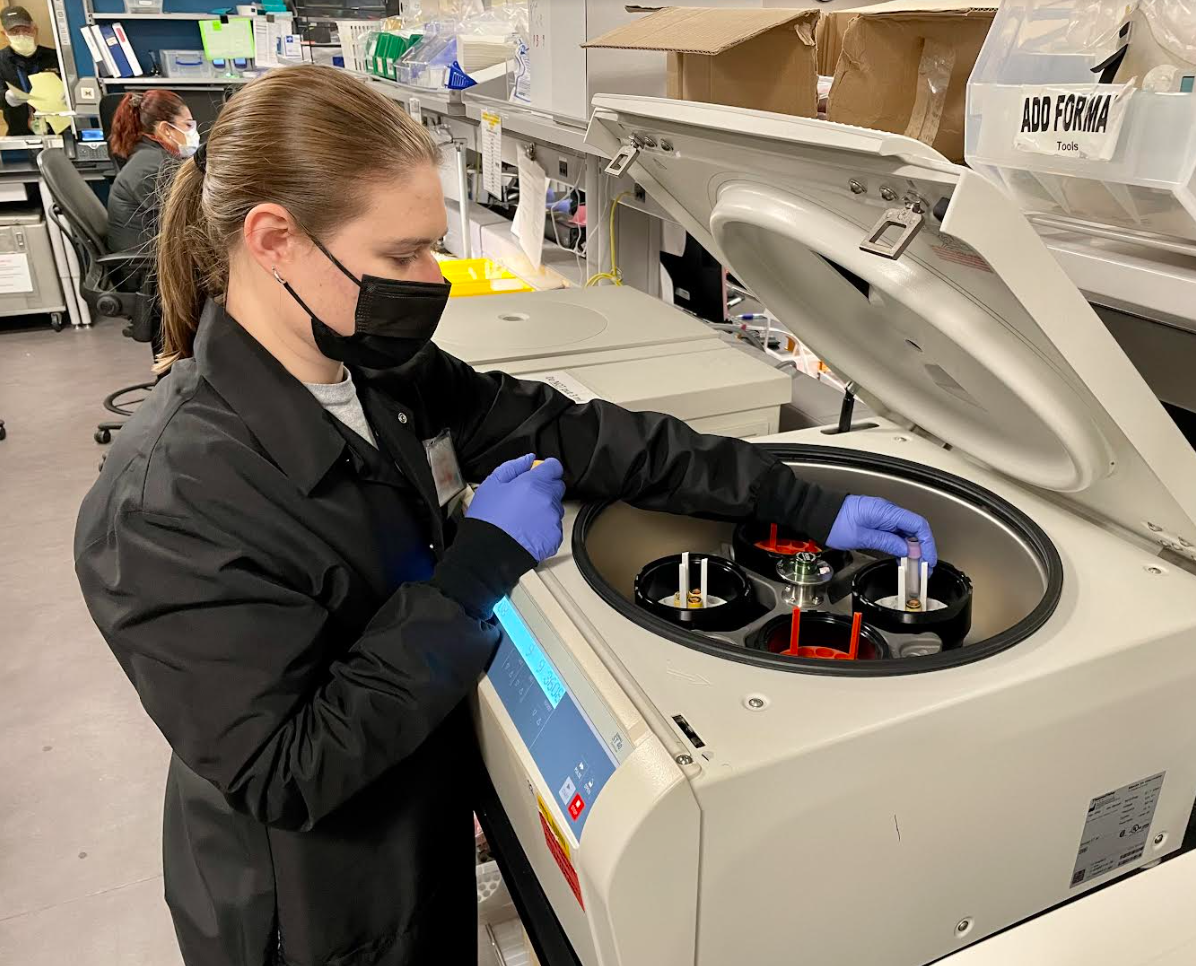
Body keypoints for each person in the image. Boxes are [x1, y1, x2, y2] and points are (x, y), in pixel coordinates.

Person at [74, 64, 937, 966]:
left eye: (432, 246)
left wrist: (792, 498)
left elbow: (569, 432)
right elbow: (290, 768)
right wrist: (476, 569)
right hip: (322, 914)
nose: (431, 277)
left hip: (423, 819)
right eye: (401, 255)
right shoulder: (166, 504)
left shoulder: (373, 369)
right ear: (275, 240)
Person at [107, 90, 197, 257]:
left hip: (151, 256)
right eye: (188, 125)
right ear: (166, 129)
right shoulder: (155, 168)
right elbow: (190, 223)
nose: (192, 132)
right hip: (145, 269)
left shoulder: (149, 156)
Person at [0, 5, 59, 137]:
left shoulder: (55, 57)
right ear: (5, 34)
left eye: (26, 30)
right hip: (19, 134)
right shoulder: (1, 61)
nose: (21, 35)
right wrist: (5, 97)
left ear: (34, 29)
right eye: (14, 32)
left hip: (57, 132)